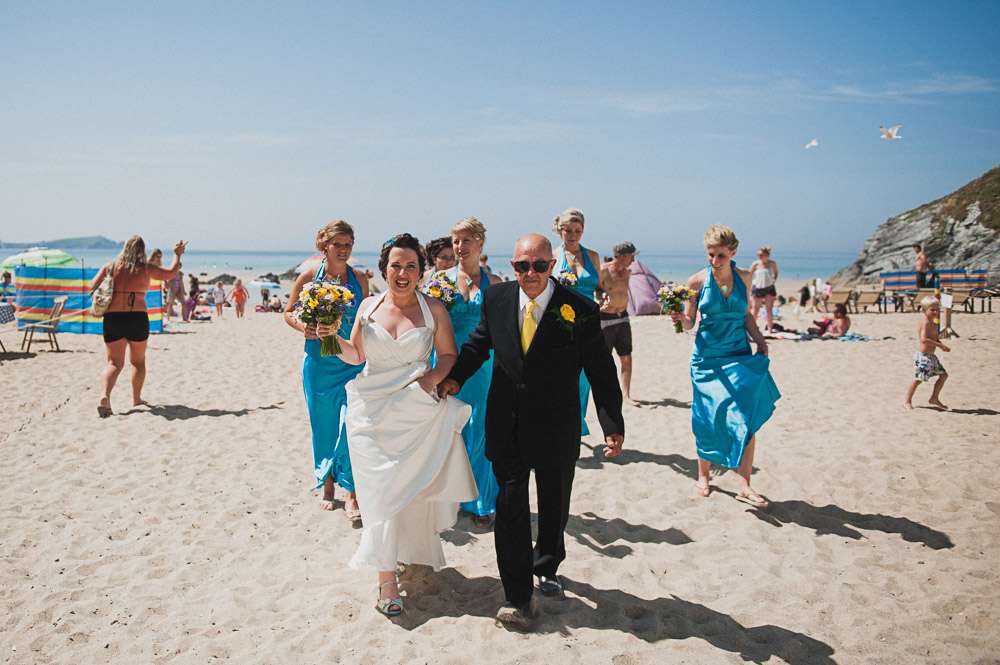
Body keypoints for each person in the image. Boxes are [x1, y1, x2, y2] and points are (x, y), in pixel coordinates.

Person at [440, 233, 625, 628]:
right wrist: (454, 378)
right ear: (513, 266)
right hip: (506, 422)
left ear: (551, 265)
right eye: (522, 266)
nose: (531, 273)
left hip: (557, 426)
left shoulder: (579, 308)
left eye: (539, 265)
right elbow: (478, 344)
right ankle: (517, 596)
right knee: (509, 506)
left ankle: (548, 565)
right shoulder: (497, 298)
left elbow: (600, 369)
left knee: (554, 503)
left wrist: (611, 422)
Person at [332, 233, 476, 617]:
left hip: (414, 412)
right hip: (370, 412)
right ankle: (385, 579)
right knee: (378, 493)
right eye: (396, 265)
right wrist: (328, 337)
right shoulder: (367, 306)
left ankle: (402, 554)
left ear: (421, 271)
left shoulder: (434, 310)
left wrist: (431, 379)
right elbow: (355, 354)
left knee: (406, 490)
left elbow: (449, 355)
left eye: (411, 266)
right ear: (384, 270)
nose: (403, 272)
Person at [670, 225, 780, 509]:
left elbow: (746, 315)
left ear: (733, 252)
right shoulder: (697, 281)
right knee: (706, 417)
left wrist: (760, 340)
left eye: (720, 255)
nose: (715, 261)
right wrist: (678, 317)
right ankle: (703, 476)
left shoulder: (744, 277)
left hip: (739, 356)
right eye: (710, 255)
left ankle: (745, 485)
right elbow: (690, 323)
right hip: (707, 360)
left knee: (746, 417)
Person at [284, 220, 370, 521]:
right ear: (325, 245)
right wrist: (304, 327)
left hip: (351, 363)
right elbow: (289, 312)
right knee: (324, 427)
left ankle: (352, 492)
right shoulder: (309, 277)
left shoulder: (360, 279)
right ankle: (328, 482)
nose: (344, 250)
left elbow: (365, 318)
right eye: (338, 244)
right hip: (319, 364)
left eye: (348, 245)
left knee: (351, 425)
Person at [440, 217, 503, 523]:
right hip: (446, 359)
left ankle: (480, 500)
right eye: (456, 241)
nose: (460, 246)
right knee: (448, 430)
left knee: (479, 427)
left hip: (482, 364)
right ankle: (448, 497)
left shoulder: (496, 283)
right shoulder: (440, 280)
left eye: (466, 240)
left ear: (480, 242)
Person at [90, 236, 186, 417]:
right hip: (137, 318)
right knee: (138, 362)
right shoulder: (146, 268)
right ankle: (136, 399)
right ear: (142, 250)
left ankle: (104, 396)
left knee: (114, 363)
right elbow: (171, 273)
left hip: (113, 318)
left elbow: (92, 286)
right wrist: (177, 254)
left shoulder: (110, 266)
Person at [551, 208, 605, 437]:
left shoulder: (593, 256)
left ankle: (575, 425)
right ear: (559, 230)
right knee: (562, 378)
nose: (573, 235)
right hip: (560, 326)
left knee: (584, 380)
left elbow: (599, 287)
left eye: (577, 230)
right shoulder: (552, 256)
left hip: (589, 325)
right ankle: (561, 425)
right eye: (568, 230)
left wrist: (604, 297)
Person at [597, 242, 637, 402]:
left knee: (626, 357)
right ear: (622, 256)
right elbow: (595, 290)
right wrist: (600, 300)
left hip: (623, 317)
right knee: (604, 359)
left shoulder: (628, 272)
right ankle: (604, 393)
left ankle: (626, 394)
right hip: (605, 319)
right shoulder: (603, 270)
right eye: (631, 256)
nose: (633, 260)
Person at [904, 296, 950, 411]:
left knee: (943, 375)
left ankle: (934, 398)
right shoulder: (925, 322)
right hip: (923, 356)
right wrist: (940, 345)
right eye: (932, 310)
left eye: (937, 309)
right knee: (918, 379)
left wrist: (941, 345)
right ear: (924, 310)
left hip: (931, 356)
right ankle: (907, 401)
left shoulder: (933, 322)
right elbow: (924, 339)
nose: (936, 312)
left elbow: (934, 337)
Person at [750, 246, 779, 333]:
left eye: (761, 255)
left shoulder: (772, 263)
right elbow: (749, 274)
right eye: (758, 255)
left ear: (767, 255)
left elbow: (776, 273)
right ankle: (752, 329)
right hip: (757, 288)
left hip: (769, 288)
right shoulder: (755, 264)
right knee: (755, 309)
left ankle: (770, 329)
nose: (759, 256)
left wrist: (773, 281)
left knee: (769, 309)